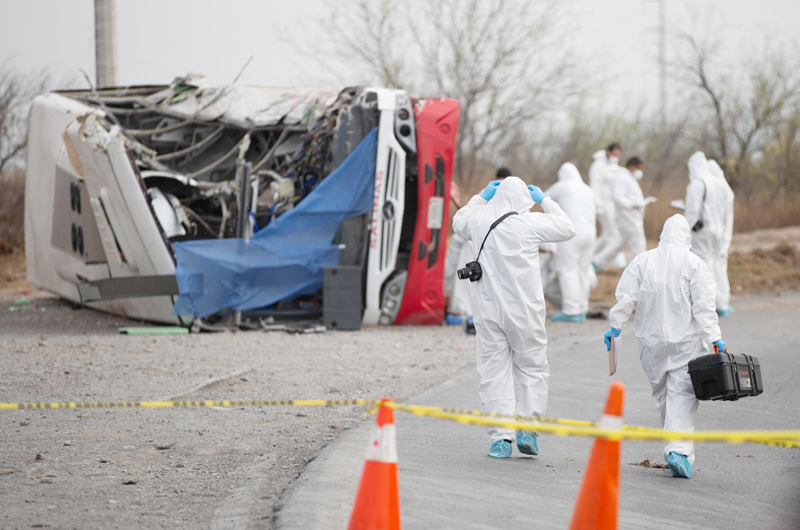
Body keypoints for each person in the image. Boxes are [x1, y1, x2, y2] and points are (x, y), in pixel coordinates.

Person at [453, 176, 576, 458]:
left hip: (488, 312)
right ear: (524, 199)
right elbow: (568, 227)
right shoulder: (528, 223)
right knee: (531, 366)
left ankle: (500, 438)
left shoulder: (479, 219)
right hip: (525, 312)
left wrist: (481, 197)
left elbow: (458, 222)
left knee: (493, 370)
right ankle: (527, 430)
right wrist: (544, 200)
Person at [604, 214, 726, 479]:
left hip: (651, 346)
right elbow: (704, 308)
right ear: (687, 238)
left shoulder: (642, 261)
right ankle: (678, 452)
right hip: (686, 345)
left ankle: (674, 446)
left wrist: (615, 327)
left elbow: (626, 298)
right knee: (682, 394)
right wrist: (714, 338)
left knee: (664, 397)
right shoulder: (694, 263)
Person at [542, 162, 597, 322]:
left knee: (567, 270)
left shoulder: (562, 186)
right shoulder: (588, 190)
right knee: (583, 270)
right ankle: (582, 308)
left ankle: (572, 310)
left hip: (571, 235)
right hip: (590, 235)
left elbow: (544, 198)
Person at [684, 152, 729, 316]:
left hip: (702, 233)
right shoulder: (718, 183)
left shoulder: (697, 184)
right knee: (718, 265)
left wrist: (682, 231)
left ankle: (708, 305)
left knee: (705, 267)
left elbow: (692, 212)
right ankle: (722, 304)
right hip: (718, 231)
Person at [593, 157, 655, 270]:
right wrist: (633, 204)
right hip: (627, 217)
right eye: (638, 168)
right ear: (632, 166)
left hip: (631, 217)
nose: (639, 172)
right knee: (638, 243)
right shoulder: (621, 177)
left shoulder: (628, 178)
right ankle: (640, 268)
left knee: (620, 244)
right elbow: (617, 197)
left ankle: (598, 262)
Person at [707, 159, 735, 316]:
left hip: (719, 235)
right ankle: (724, 301)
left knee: (715, 268)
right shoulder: (725, 187)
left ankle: (720, 304)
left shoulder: (717, 187)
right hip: (723, 235)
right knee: (720, 268)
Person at [590, 143, 625, 267]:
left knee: (607, 234)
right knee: (613, 233)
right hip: (603, 204)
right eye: (614, 154)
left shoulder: (614, 167)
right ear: (607, 152)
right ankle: (618, 262)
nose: (616, 157)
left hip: (612, 204)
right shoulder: (598, 165)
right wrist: (598, 205)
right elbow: (595, 185)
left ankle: (588, 256)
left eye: (618, 155)